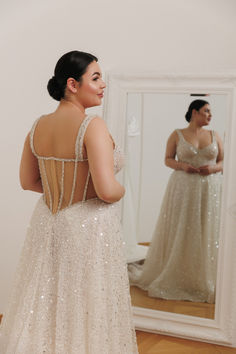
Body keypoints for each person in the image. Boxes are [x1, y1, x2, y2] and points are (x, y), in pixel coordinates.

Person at [0, 51, 138, 353]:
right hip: (88, 226)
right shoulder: (92, 126)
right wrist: (122, 191)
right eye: (96, 77)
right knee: (85, 304)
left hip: (47, 220)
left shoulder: (38, 126)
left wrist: (60, 196)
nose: (104, 84)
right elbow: (106, 190)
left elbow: (28, 182)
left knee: (46, 300)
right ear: (73, 84)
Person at [128, 99, 223, 304]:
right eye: (206, 111)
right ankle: (177, 271)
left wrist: (213, 169)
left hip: (210, 188)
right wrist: (182, 166)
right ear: (194, 112)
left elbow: (224, 161)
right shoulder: (177, 134)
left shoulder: (215, 135)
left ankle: (203, 276)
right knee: (183, 227)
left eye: (210, 112)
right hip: (183, 187)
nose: (210, 115)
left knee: (207, 228)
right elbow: (167, 159)